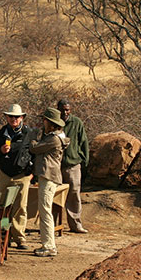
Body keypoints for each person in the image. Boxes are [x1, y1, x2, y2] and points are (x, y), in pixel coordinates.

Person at [0, 104, 33, 250]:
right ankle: (1, 237)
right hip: (5, 174)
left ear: (22, 117)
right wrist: (0, 151)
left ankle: (19, 238)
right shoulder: (0, 134)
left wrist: (32, 173)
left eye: (17, 117)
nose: (14, 119)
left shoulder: (29, 134)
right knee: (1, 206)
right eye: (11, 117)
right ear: (6, 117)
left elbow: (36, 154)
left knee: (20, 207)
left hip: (22, 175)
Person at [27, 108, 70, 257]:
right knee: (45, 210)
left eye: (45, 120)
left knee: (45, 211)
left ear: (50, 122)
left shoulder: (54, 139)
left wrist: (32, 137)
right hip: (49, 176)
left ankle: (49, 246)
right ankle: (48, 245)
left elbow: (34, 148)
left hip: (48, 176)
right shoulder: (55, 137)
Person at [57, 99, 90, 234]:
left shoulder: (76, 122)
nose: (65, 112)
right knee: (55, 195)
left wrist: (84, 160)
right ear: (58, 109)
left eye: (67, 110)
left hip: (73, 164)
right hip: (56, 165)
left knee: (74, 193)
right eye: (62, 110)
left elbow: (84, 142)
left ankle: (75, 224)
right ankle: (52, 225)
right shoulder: (53, 122)